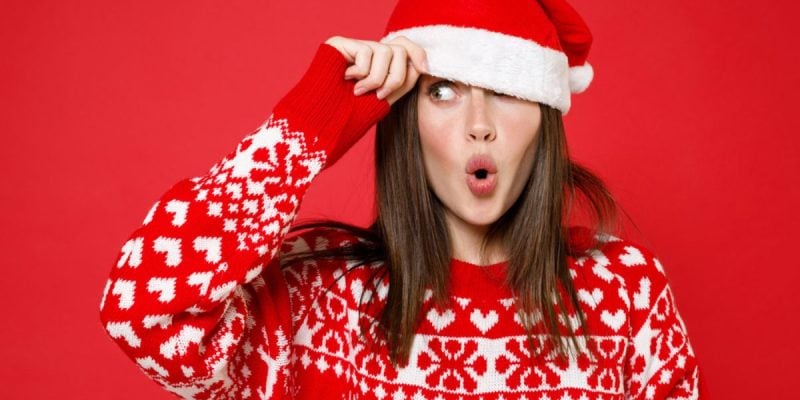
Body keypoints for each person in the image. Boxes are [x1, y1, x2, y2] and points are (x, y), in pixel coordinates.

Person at [99, 0, 702, 398]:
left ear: (545, 121)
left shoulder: (627, 293)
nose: (479, 124)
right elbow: (145, 314)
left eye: (507, 92)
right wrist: (309, 125)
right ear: (404, 117)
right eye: (443, 92)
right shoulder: (313, 296)